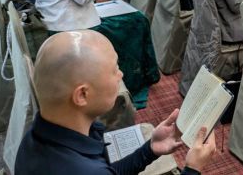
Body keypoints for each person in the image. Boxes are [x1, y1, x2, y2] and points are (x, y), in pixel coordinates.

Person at [15, 30, 216, 175]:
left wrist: (150, 149)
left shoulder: (34, 138)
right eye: (114, 70)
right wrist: (193, 169)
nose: (121, 75)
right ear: (82, 95)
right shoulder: (82, 169)